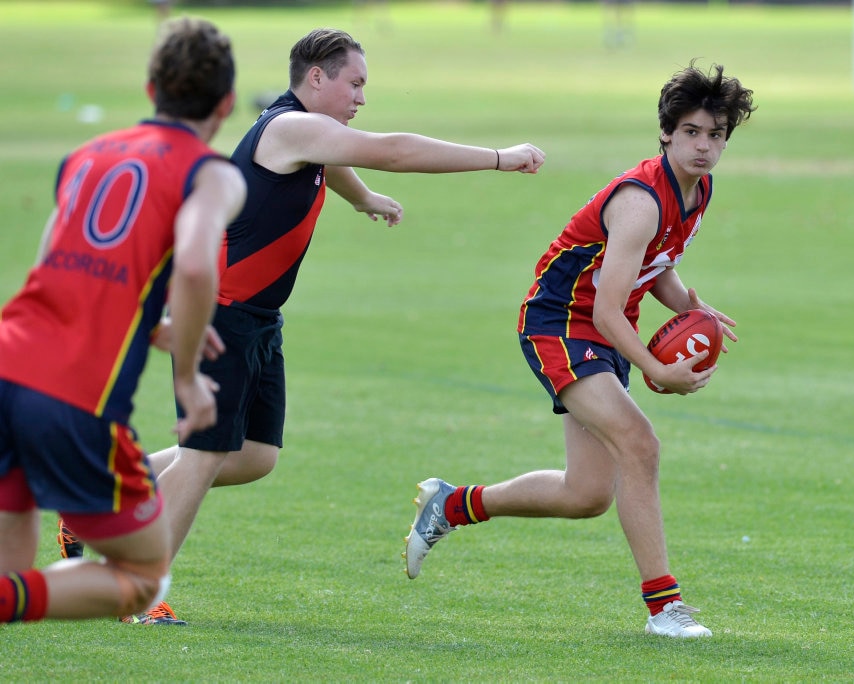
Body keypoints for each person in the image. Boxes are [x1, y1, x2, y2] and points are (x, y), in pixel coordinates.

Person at [59, 27, 545, 625]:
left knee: (255, 456)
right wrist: (498, 158)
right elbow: (390, 148)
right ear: (317, 77)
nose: (361, 98)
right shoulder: (288, 127)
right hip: (225, 314)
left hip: (259, 318)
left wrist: (363, 197)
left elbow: (337, 160)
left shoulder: (307, 134)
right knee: (206, 454)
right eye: (355, 83)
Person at [404, 62, 755, 639]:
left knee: (586, 494)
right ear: (666, 132)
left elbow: (656, 264)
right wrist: (657, 370)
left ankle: (452, 504)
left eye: (716, 135)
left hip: (599, 328)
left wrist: (693, 307)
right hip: (561, 323)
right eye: (691, 132)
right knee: (640, 443)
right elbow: (605, 309)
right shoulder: (642, 199)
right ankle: (665, 609)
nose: (704, 146)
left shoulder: (698, 190)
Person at [0, 17, 245, 624]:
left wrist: (147, 327)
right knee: (141, 579)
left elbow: (56, 269)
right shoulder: (210, 173)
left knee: (12, 572)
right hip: (72, 398)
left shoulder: (86, 155)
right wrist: (187, 377)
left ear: (149, 90)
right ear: (228, 103)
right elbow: (192, 266)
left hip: (9, 358)